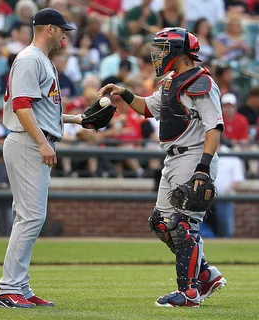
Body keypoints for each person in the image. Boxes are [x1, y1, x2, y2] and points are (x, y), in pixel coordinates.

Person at [99, 27, 227, 307]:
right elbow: (147, 108)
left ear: (179, 53)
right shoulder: (172, 81)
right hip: (172, 158)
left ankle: (190, 292)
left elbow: (214, 127)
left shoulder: (199, 82)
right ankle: (205, 273)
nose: (157, 55)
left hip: (194, 156)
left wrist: (203, 168)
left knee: (182, 225)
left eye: (163, 49)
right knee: (160, 223)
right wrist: (124, 92)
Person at [0, 7, 85, 308]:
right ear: (49, 29)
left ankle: (19, 286)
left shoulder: (40, 60)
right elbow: (22, 106)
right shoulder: (30, 59)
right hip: (27, 143)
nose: (64, 36)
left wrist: (78, 120)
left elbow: (43, 110)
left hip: (32, 141)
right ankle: (9, 288)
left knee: (28, 217)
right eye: (62, 30)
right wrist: (42, 144)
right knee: (31, 217)